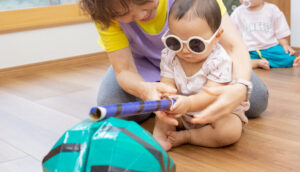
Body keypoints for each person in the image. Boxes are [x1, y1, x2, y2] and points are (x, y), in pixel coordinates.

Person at [79, 0, 268, 125]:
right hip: (141, 65)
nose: (140, 14)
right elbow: (124, 70)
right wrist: (144, 89)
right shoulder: (104, 11)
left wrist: (241, 85)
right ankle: (176, 104)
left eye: (144, 1)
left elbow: (234, 46)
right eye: (124, 13)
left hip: (201, 62)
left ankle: (182, 102)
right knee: (113, 105)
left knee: (256, 98)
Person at [152, 0, 249, 151]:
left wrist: (189, 103)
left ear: (217, 36)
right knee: (162, 116)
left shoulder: (219, 60)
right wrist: (166, 96)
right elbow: (167, 83)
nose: (184, 50)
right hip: (182, 112)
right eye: (175, 42)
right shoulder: (169, 55)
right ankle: (158, 138)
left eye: (195, 44)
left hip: (213, 113)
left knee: (230, 130)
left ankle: (189, 136)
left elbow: (211, 94)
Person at [231, 0, 300, 70]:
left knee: (288, 58)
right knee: (236, 60)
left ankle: (260, 63)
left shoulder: (272, 10)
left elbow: (280, 32)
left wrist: (285, 45)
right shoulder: (238, 13)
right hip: (249, 50)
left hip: (270, 48)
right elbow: (233, 35)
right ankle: (256, 62)